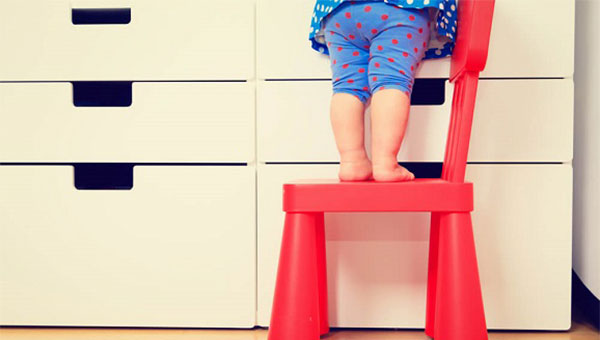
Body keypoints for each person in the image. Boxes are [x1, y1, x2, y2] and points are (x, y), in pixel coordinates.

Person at [309, 0, 457, 181]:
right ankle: (385, 163)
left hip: (339, 12)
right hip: (400, 10)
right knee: (391, 81)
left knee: (346, 87)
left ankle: (352, 162)